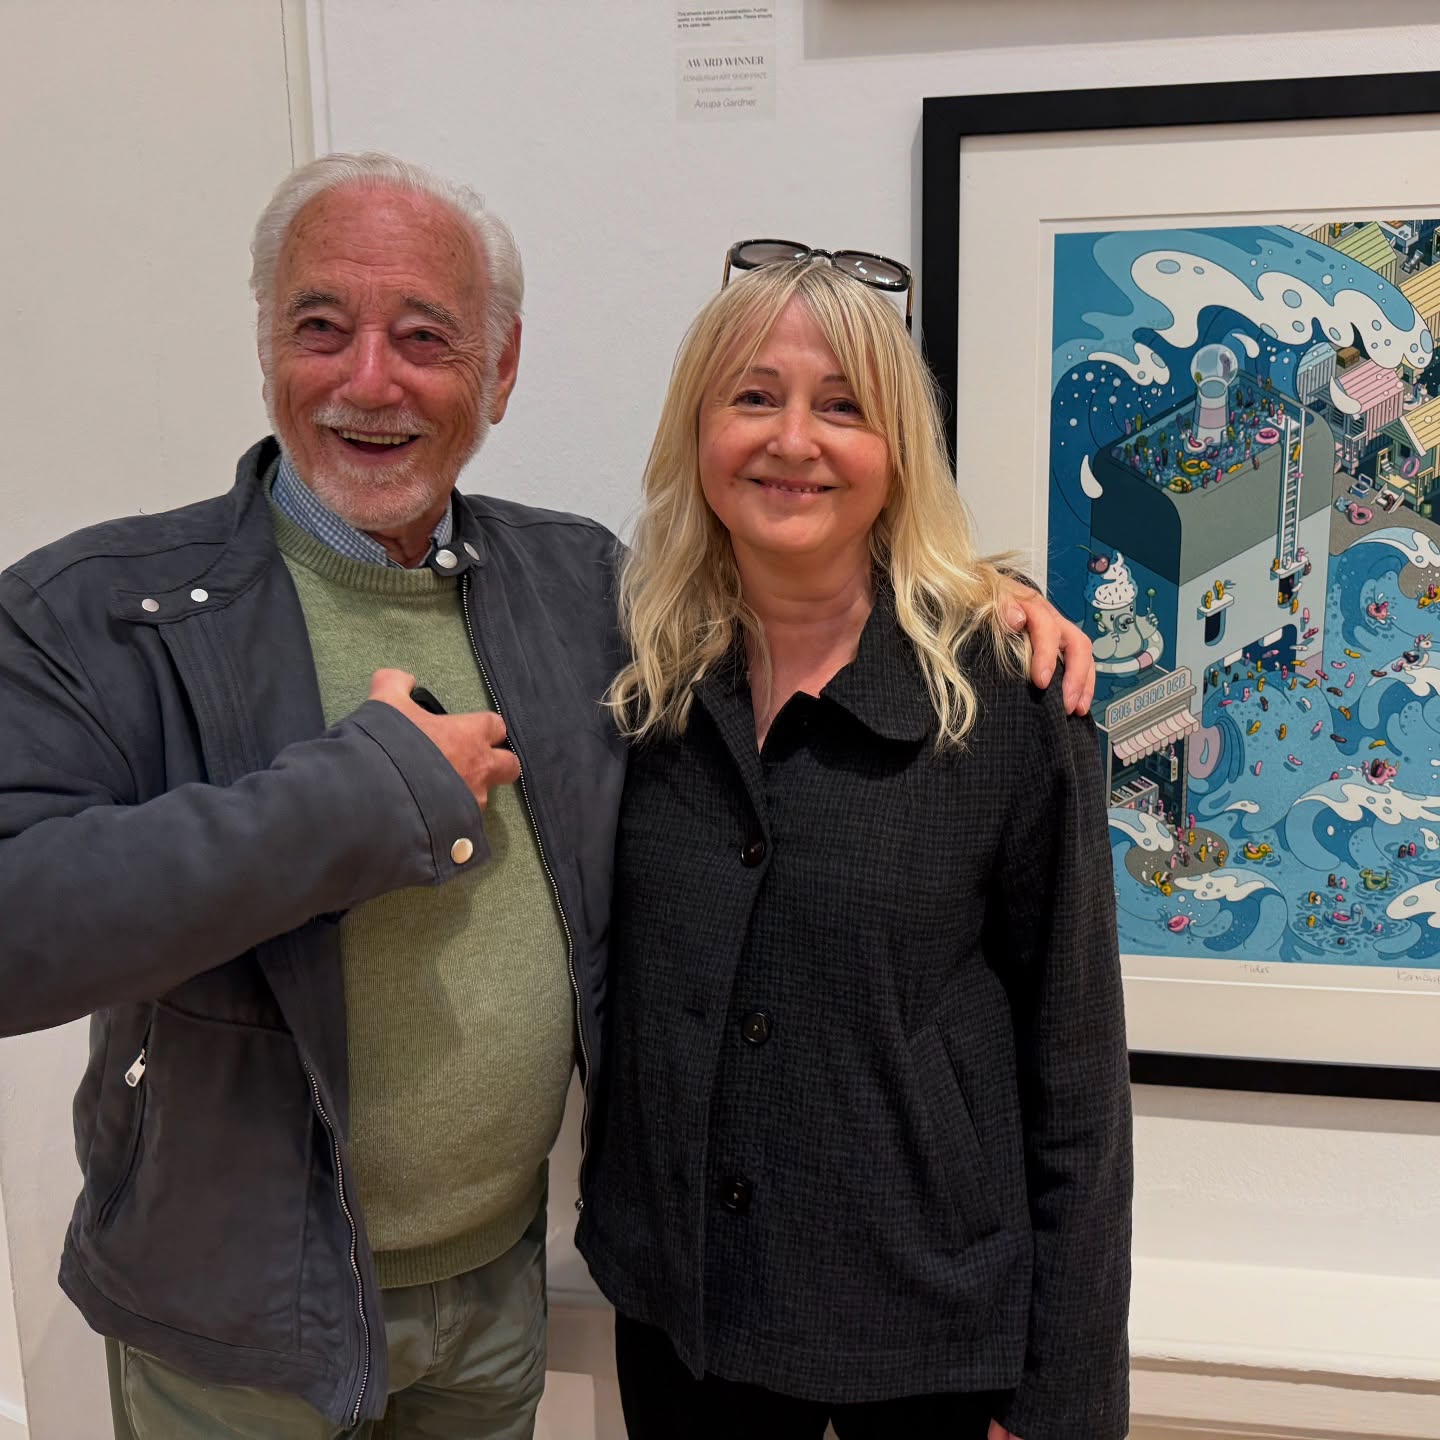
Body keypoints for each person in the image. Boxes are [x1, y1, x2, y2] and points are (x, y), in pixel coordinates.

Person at [0, 153, 1091, 1437]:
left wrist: (978, 597)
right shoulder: (102, 609)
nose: (370, 380)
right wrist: (365, 798)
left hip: (500, 1292)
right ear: (265, 346)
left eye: (425, 337)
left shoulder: (581, 592)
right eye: (321, 328)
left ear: (499, 373)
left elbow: (804, 576)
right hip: (244, 1323)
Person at [577, 257, 1131, 1439]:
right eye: (752, 397)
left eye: (842, 405)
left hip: (928, 1340)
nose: (794, 440)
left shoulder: (1007, 702)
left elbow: (1077, 1074)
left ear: (898, 450)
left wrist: (1064, 1399)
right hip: (683, 1314)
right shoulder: (635, 679)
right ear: (697, 430)